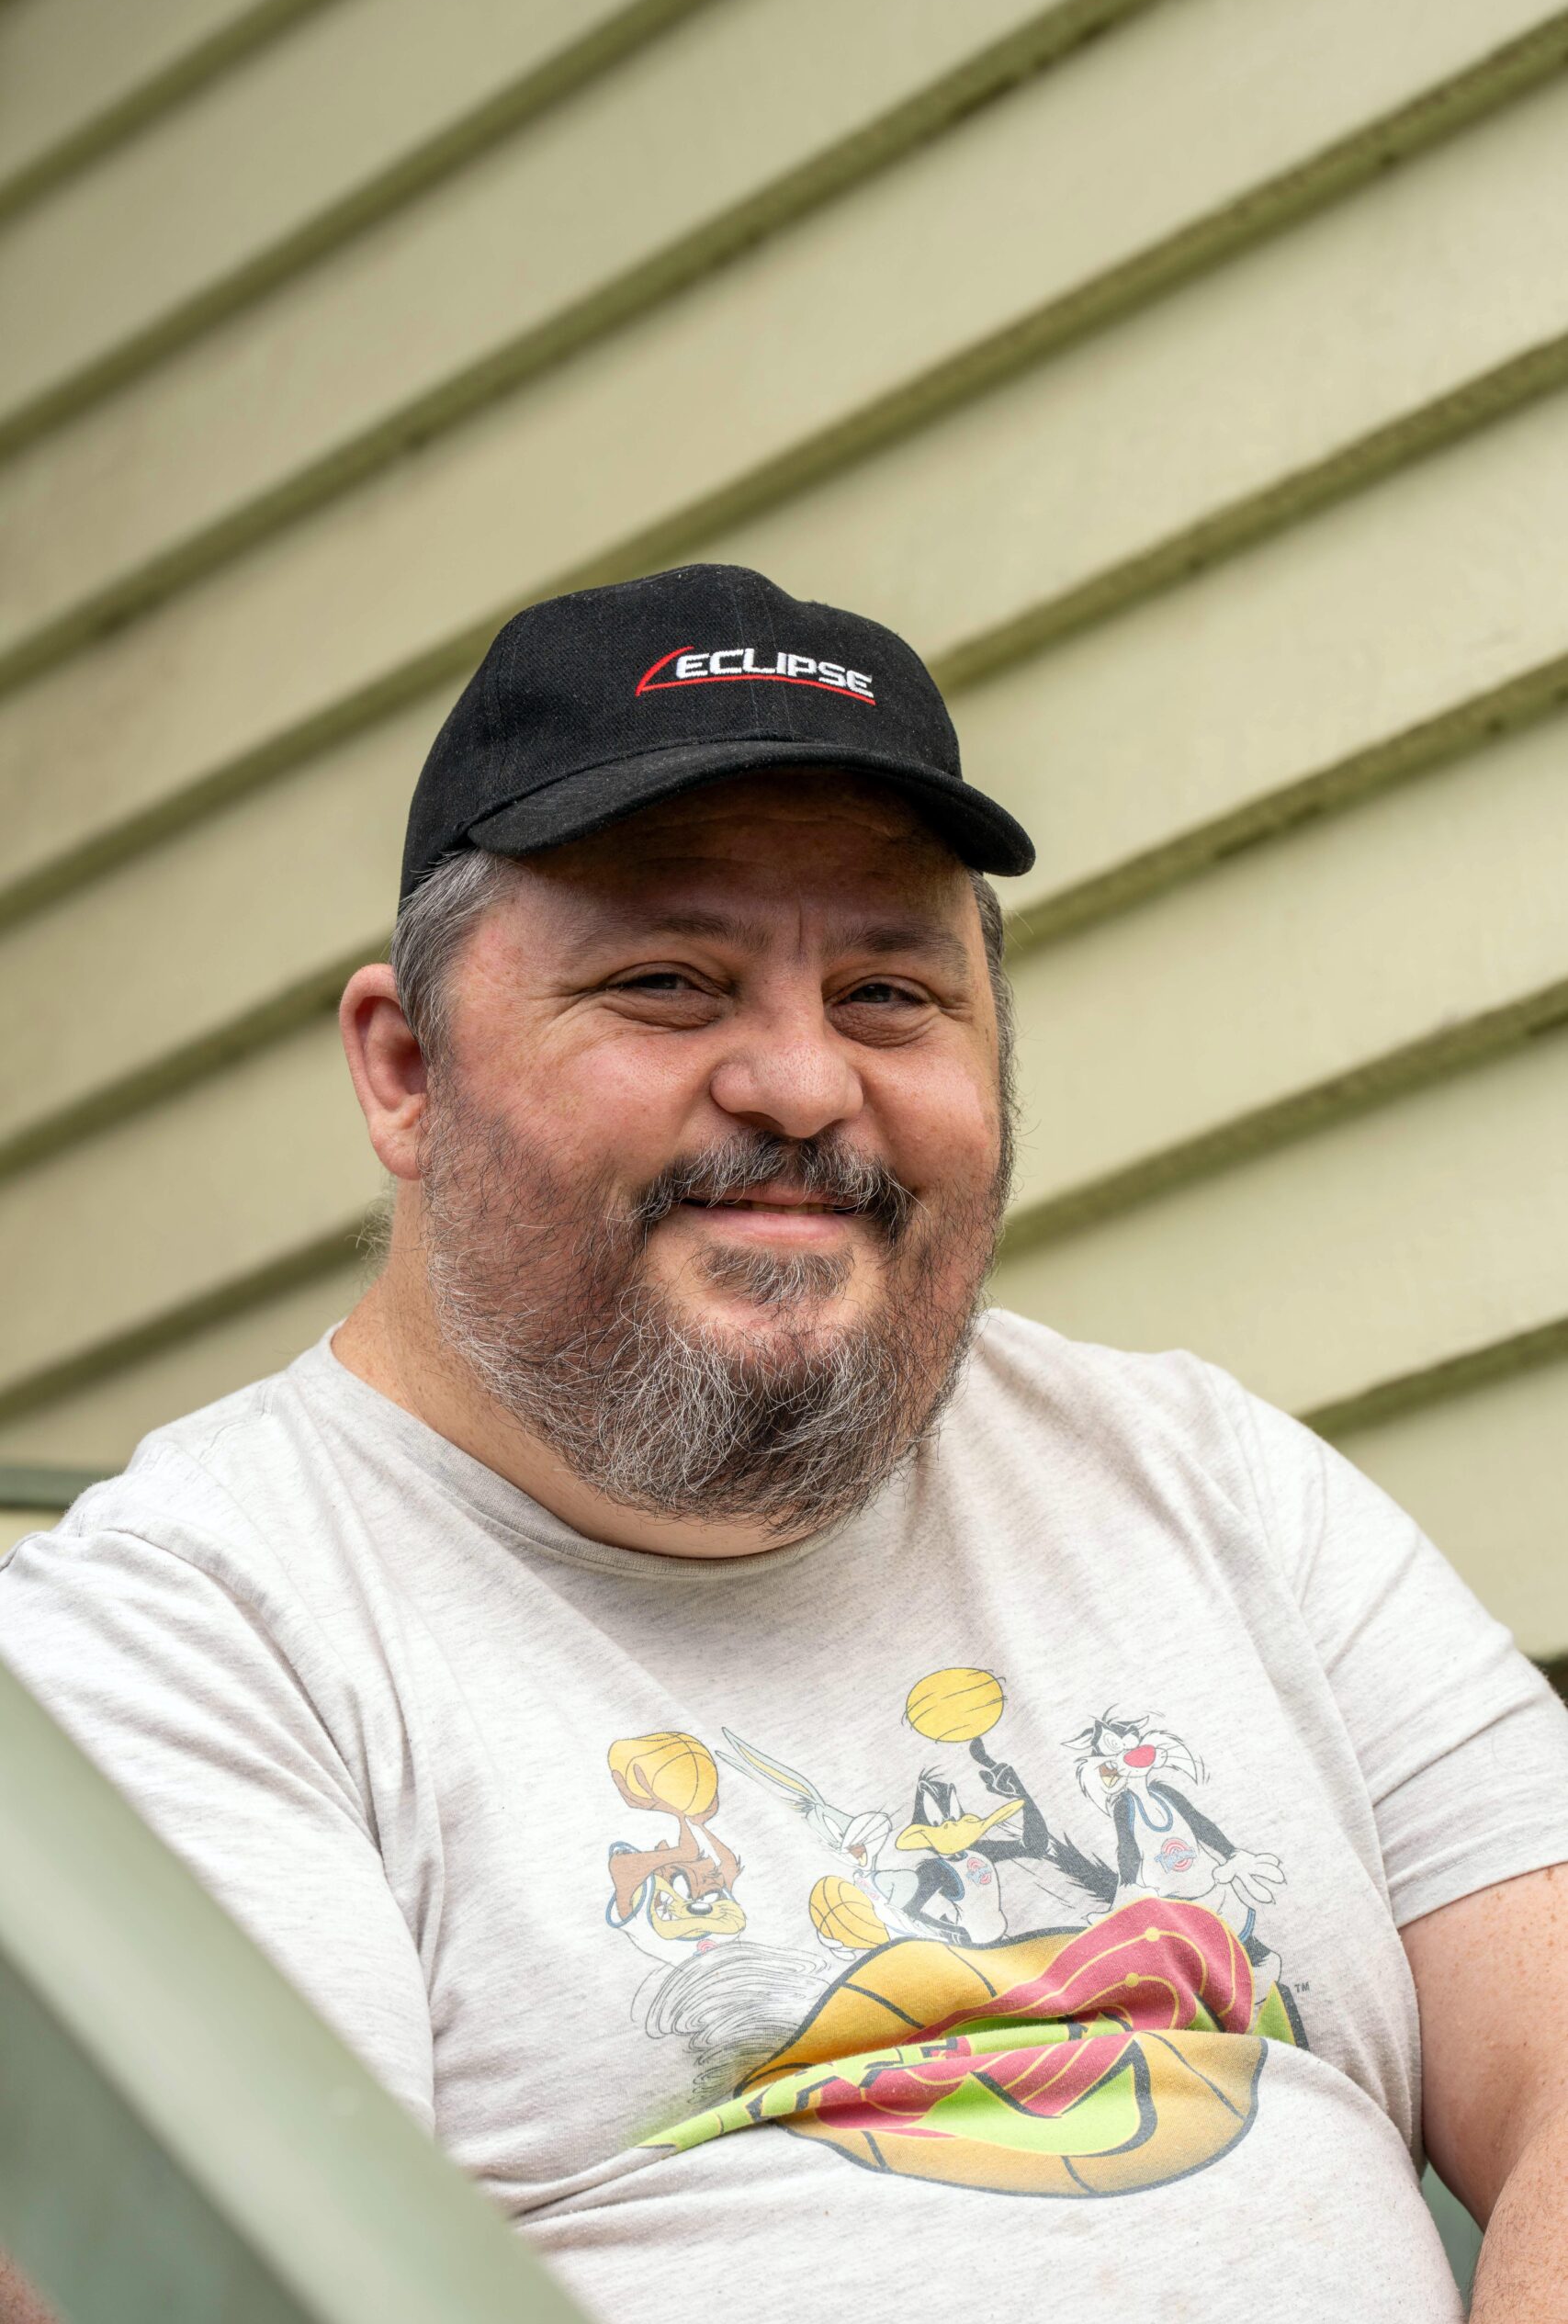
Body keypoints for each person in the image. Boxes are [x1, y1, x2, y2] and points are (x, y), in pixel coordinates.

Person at [3, 563, 1565, 2323]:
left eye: (891, 994)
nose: (804, 1086)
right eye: (670, 981)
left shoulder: (1207, 1483)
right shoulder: (191, 1633)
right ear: (406, 1071)